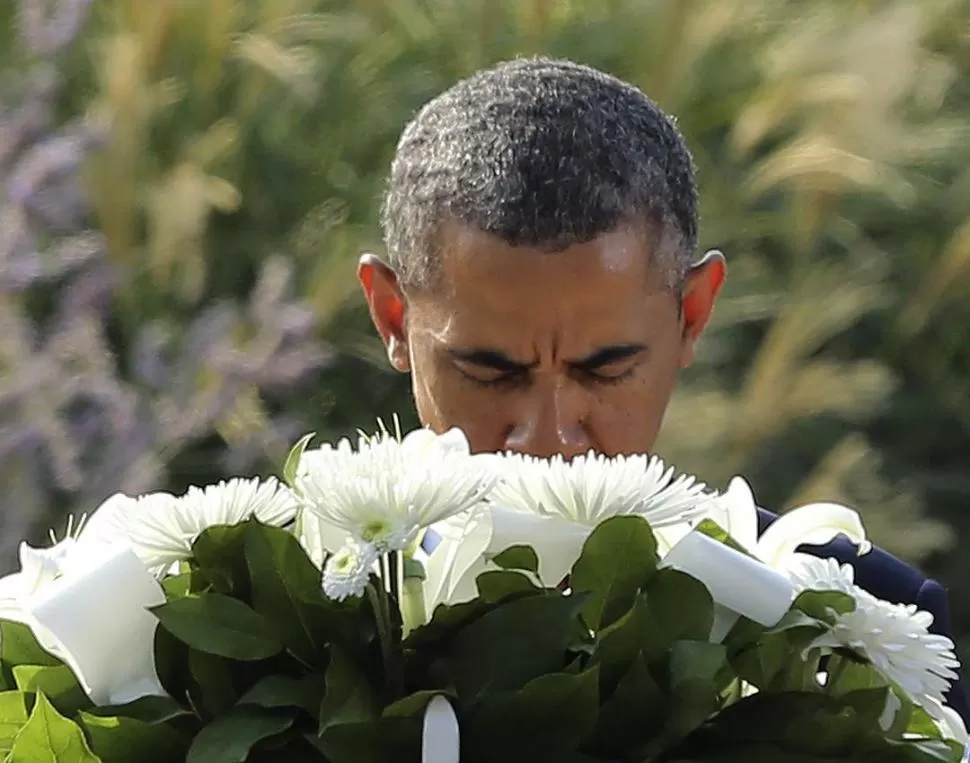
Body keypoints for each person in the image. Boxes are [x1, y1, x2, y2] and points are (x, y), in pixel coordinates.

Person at [356, 56, 969, 722]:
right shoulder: (267, 616)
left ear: (692, 314)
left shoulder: (859, 628)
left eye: (605, 367)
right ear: (393, 317)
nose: (548, 435)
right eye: (490, 370)